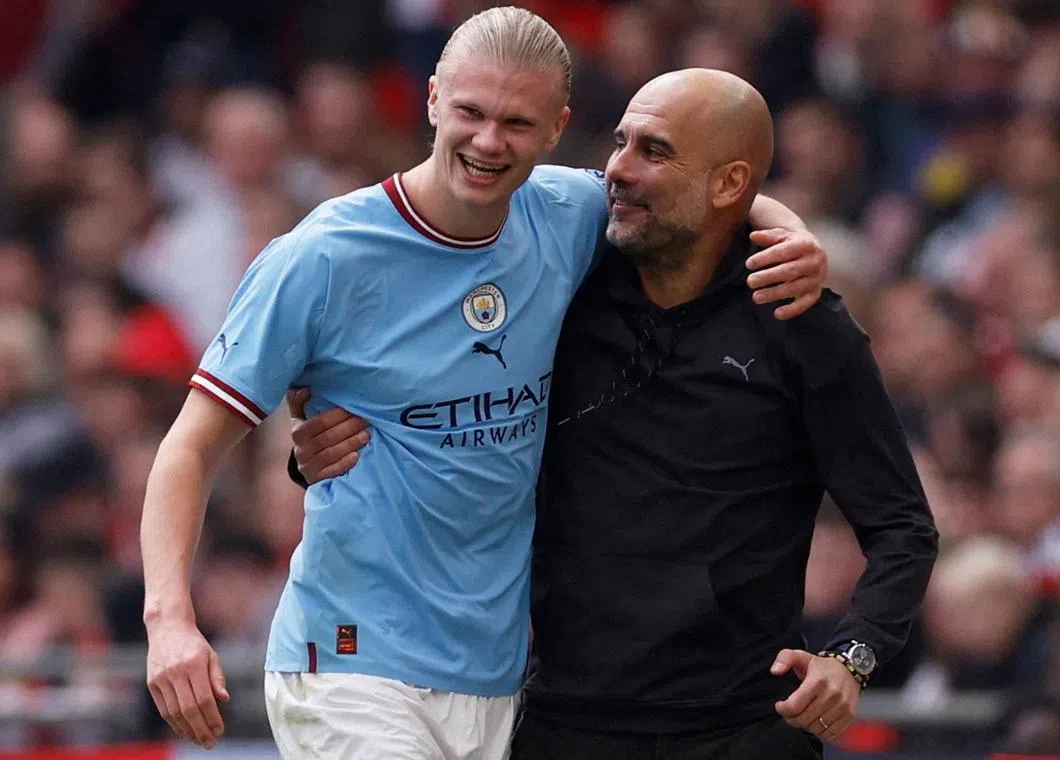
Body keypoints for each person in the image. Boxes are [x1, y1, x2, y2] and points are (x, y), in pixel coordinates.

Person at [140, 7, 829, 760]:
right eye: (470, 111)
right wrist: (170, 621)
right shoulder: (323, 257)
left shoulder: (567, 214)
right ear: (433, 99)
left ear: (558, 127)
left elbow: (700, 191)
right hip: (349, 660)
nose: (489, 141)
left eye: (517, 123)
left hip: (496, 676)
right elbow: (189, 447)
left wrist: (791, 233)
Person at [293, 69, 940, 759]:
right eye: (622, 142)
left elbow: (902, 527)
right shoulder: (559, 290)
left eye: (653, 152)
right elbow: (444, 421)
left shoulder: (799, 320)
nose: (617, 170)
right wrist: (326, 454)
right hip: (566, 724)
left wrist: (853, 658)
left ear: (728, 185)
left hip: (743, 730)